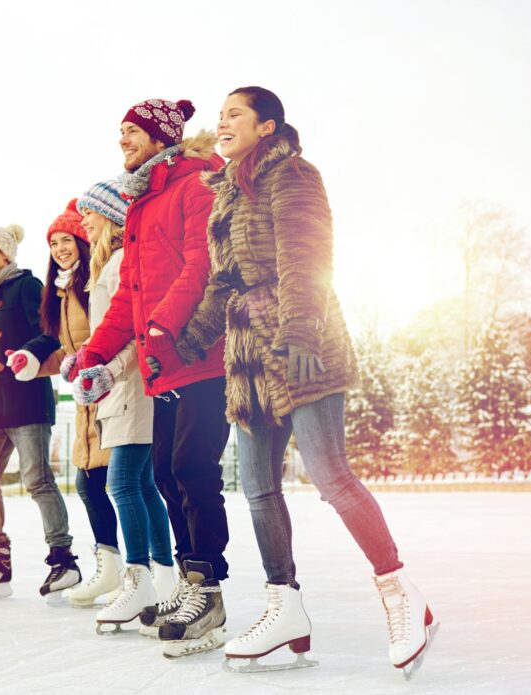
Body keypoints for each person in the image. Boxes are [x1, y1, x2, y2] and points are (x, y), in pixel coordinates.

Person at [174, 86, 438, 676]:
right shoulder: (225, 194)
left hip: (300, 345)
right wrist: (187, 340)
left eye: (234, 114)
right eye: (219, 117)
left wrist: (299, 331)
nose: (222, 123)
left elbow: (307, 255)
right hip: (245, 357)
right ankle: (284, 606)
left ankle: (401, 595)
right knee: (258, 489)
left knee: (330, 474)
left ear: (266, 126)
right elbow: (223, 285)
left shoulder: (292, 175)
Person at [72, 98, 231, 657]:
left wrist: (162, 328)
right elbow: (127, 299)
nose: (122, 143)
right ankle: (190, 586)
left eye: (131, 133)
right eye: (119, 135)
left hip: (201, 353)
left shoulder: (196, 182)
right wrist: (93, 352)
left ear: (161, 136)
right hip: (163, 365)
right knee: (164, 473)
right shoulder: (142, 203)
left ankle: (207, 587)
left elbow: (201, 264)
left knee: (191, 468)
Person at [0, 224, 80, 600]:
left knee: (37, 479)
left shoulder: (28, 286)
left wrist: (28, 354)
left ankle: (63, 559)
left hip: (25, 399)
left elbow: (53, 331)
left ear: (5, 252)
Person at [71, 180, 176, 633]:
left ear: (113, 216)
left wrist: (108, 370)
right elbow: (105, 333)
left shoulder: (116, 266)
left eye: (90, 213)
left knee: (123, 484)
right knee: (143, 485)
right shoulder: (106, 267)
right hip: (120, 391)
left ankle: (140, 579)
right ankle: (164, 580)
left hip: (132, 390)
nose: (84, 221)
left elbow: (132, 333)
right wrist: (84, 360)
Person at [8, 201, 121, 607]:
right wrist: (34, 363)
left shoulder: (93, 284)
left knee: (118, 486)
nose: (59, 248)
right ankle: (111, 566)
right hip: (88, 400)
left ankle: (138, 569)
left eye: (66, 240)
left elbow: (108, 335)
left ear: (83, 240)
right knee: (90, 485)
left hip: (115, 391)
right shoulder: (61, 292)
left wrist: (90, 363)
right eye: (53, 243)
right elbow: (66, 349)